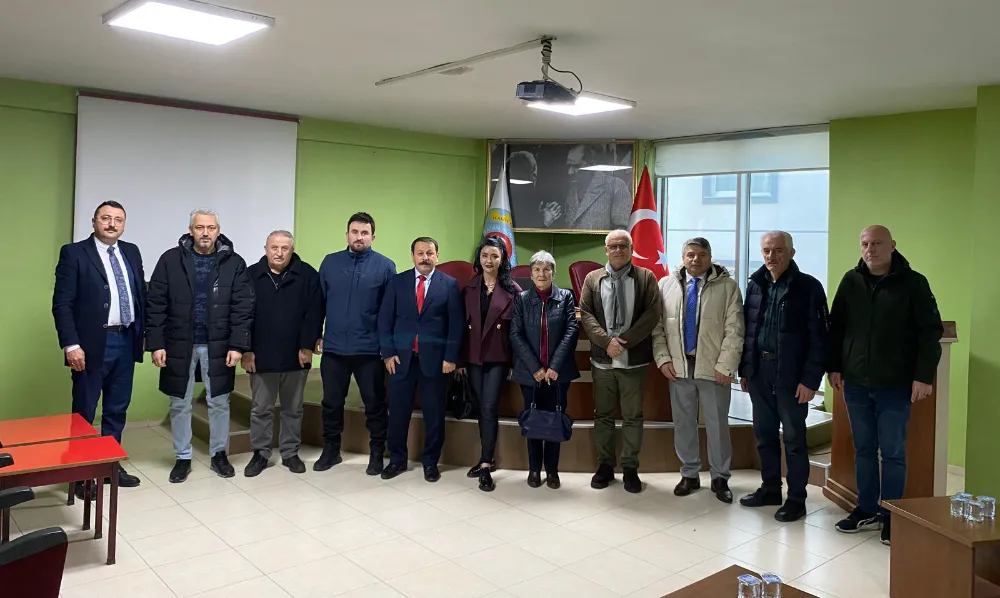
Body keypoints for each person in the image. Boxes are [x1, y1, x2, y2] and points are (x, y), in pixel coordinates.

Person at [828, 225, 942, 545]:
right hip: (856, 384)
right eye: (865, 243)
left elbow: (929, 332)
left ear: (892, 245)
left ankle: (892, 515)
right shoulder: (851, 281)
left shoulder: (914, 283)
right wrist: (834, 366)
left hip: (895, 385)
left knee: (892, 453)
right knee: (863, 450)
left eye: (877, 243)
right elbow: (836, 328)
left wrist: (923, 376)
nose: (870, 249)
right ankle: (867, 509)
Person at [146, 208, 254, 484]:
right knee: (179, 402)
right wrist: (156, 344)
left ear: (218, 230)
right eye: (200, 227)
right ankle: (182, 457)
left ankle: (219, 454)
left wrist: (237, 345)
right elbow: (155, 303)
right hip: (178, 343)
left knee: (219, 401)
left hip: (218, 345)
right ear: (190, 230)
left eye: (211, 228)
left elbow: (243, 307)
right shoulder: (170, 260)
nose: (205, 233)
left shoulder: (234, 262)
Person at [52, 200, 145, 496]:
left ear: (124, 224)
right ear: (94, 222)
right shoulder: (74, 253)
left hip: (126, 340)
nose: (112, 224)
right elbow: (62, 304)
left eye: (118, 219)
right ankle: (80, 475)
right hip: (91, 345)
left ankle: (108, 466)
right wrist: (71, 344)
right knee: (84, 411)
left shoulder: (131, 251)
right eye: (106, 218)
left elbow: (140, 295)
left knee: (117, 409)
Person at [738, 231, 828, 522]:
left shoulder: (809, 287)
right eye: (766, 250)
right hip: (760, 372)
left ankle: (796, 499)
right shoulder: (755, 284)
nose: (771, 256)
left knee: (794, 439)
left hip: (792, 376)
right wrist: (745, 370)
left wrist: (810, 381)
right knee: (764, 435)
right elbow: (748, 330)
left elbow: (820, 339)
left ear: (791, 253)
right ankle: (770, 489)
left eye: (778, 250)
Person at [652, 237, 744, 503]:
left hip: (714, 370)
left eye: (701, 254)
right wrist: (663, 359)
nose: (695, 259)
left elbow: (735, 330)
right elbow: (657, 327)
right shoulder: (666, 285)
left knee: (717, 425)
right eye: (690, 254)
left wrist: (726, 366)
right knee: (683, 424)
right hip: (679, 368)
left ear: (710, 257)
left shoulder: (727, 287)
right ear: (683, 257)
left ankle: (720, 477)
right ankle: (689, 473)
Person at [579, 230, 662, 493]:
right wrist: (606, 342)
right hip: (602, 361)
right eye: (613, 246)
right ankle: (605, 466)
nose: (618, 250)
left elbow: (652, 313)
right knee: (602, 415)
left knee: (632, 416)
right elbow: (586, 314)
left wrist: (624, 341)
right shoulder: (593, 279)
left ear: (631, 248)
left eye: (623, 245)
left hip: (633, 361)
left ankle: (630, 468)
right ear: (606, 250)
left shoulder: (645, 277)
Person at [316, 212, 396, 475]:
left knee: (374, 404)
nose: (359, 237)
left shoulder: (385, 266)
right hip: (334, 348)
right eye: (354, 232)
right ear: (347, 234)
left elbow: (389, 313)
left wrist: (387, 348)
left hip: (369, 350)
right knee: (331, 403)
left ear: (373, 236)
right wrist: (316, 335)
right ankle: (331, 450)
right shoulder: (330, 263)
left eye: (364, 233)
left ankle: (377, 453)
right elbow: (318, 304)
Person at [378, 237, 463, 482]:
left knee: (434, 415)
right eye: (420, 253)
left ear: (437, 256)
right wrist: (388, 352)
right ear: (412, 255)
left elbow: (456, 325)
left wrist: (450, 357)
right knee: (398, 414)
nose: (425, 257)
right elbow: (385, 320)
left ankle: (430, 462)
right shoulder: (397, 282)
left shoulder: (449, 284)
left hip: (435, 362)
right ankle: (397, 460)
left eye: (430, 253)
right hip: (400, 360)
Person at [241, 231, 323, 477]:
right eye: (274, 247)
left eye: (284, 248)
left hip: (296, 355)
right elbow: (242, 315)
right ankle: (260, 453)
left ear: (292, 250)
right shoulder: (250, 275)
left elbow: (315, 313)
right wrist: (246, 350)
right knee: (261, 409)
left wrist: (307, 346)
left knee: (293, 408)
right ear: (265, 249)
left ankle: (290, 452)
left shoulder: (308, 275)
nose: (279, 253)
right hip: (260, 356)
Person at [509, 251, 580, 488]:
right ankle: (533, 470)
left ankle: (552, 471)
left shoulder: (566, 297)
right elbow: (515, 334)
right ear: (531, 274)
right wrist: (536, 368)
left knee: (553, 419)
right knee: (533, 419)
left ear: (553, 272)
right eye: (537, 270)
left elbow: (571, 330)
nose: (541, 274)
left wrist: (554, 366)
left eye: (546, 269)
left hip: (558, 374)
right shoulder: (521, 299)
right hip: (530, 374)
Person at [458, 236, 521, 492]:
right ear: (479, 258)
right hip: (473, 358)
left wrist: (515, 363)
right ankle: (487, 458)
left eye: (495, 256)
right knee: (481, 407)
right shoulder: (469, 288)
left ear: (502, 259)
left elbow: (517, 332)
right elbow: (461, 328)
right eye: (485, 255)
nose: (489, 260)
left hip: (498, 358)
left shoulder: (513, 291)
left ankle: (485, 463)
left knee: (488, 407)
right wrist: (460, 360)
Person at [562, 145, 632, 231]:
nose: (570, 172)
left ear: (591, 164)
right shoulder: (572, 190)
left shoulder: (615, 186)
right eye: (569, 166)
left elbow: (621, 231)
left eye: (576, 166)